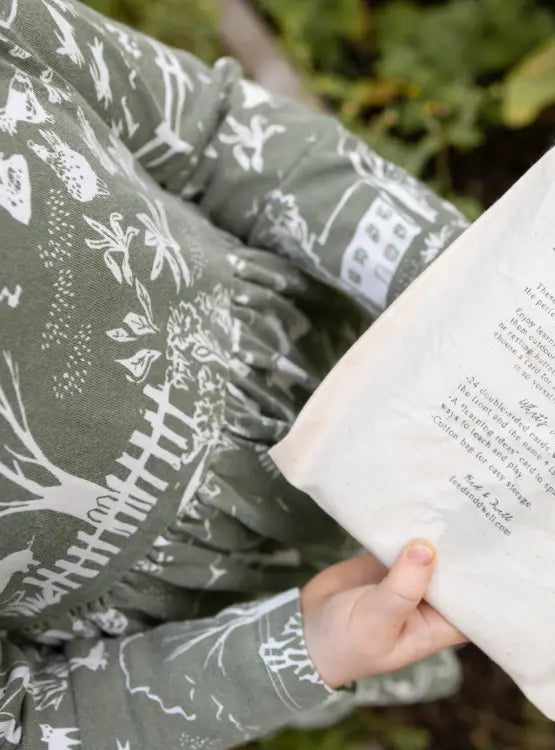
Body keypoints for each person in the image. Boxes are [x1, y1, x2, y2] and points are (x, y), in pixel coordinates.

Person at [0, 0, 471, 746]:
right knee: (427, 620)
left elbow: (209, 130)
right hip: (203, 620)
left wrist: (460, 281)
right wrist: (306, 651)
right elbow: (21, 726)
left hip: (328, 352)